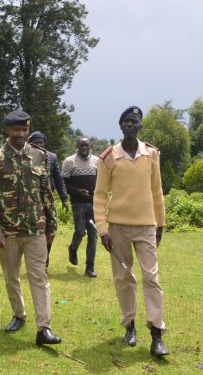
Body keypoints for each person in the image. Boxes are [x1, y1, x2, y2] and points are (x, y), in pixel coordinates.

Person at [0, 110, 62, 346]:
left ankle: (44, 328)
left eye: (24, 130)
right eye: (16, 130)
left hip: (36, 230)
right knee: (11, 277)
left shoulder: (40, 156)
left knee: (39, 277)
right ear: (7, 130)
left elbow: (47, 194)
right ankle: (18, 314)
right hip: (8, 232)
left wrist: (51, 226)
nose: (21, 134)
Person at [93, 106, 169, 357]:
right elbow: (100, 196)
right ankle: (130, 325)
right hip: (118, 228)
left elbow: (157, 192)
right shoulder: (109, 157)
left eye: (134, 122)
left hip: (147, 226)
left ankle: (157, 332)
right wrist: (103, 230)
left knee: (151, 277)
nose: (130, 125)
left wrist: (160, 224)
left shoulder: (152, 155)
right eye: (126, 121)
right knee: (124, 277)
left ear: (140, 126)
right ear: (120, 125)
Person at [28, 131, 68, 267]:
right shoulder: (26, 157)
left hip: (48, 201)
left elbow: (58, 178)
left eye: (41, 143)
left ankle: (45, 259)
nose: (39, 145)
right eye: (36, 143)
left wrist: (64, 198)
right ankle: (37, 260)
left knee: (50, 229)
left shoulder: (52, 157)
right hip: (31, 201)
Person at [61, 136, 99, 278]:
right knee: (80, 231)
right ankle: (73, 248)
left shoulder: (97, 161)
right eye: (82, 146)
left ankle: (90, 266)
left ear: (90, 146)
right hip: (78, 203)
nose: (84, 148)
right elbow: (63, 183)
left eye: (87, 146)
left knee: (93, 235)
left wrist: (97, 193)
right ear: (77, 146)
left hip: (93, 204)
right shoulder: (69, 162)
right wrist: (77, 192)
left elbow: (102, 181)